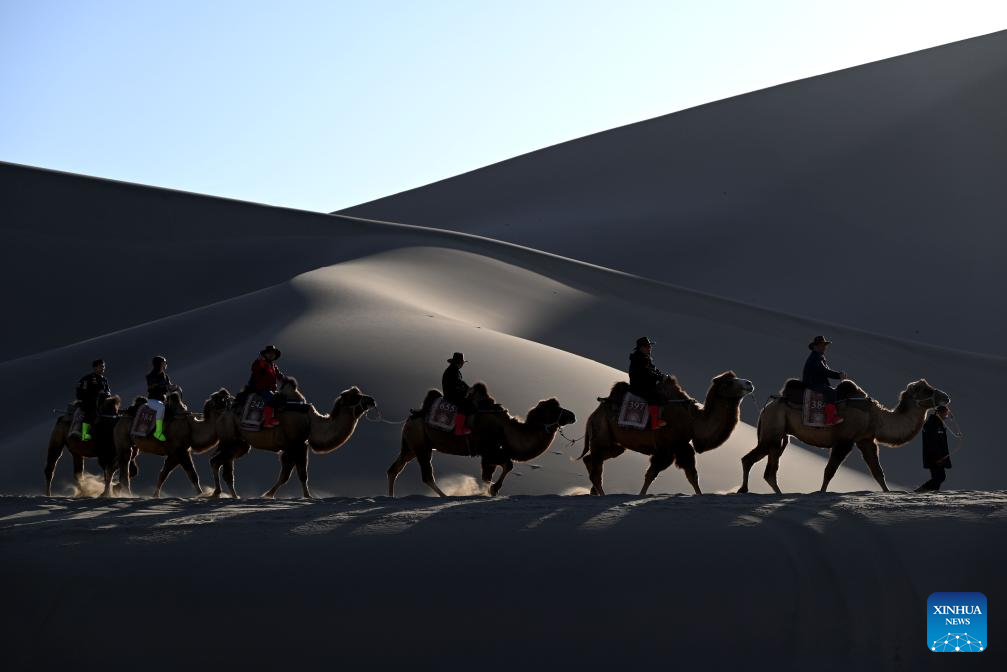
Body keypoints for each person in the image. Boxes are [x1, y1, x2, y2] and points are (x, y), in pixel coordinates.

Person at [802, 335, 847, 426]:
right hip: (812, 384)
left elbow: (825, 371)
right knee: (831, 392)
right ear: (815, 347)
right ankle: (830, 419)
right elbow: (824, 371)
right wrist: (838, 375)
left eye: (824, 345)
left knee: (832, 391)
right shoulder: (816, 358)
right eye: (821, 345)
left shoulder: (818, 357)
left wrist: (838, 375)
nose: (824, 347)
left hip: (815, 383)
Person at [628, 336, 667, 429]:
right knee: (654, 397)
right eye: (647, 346)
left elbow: (654, 369)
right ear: (641, 348)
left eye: (650, 346)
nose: (650, 348)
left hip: (644, 385)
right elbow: (647, 373)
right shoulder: (639, 359)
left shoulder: (645, 358)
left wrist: (663, 376)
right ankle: (654, 422)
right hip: (639, 387)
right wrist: (660, 377)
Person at [915, 405, 952, 492]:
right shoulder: (931, 424)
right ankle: (920, 491)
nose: (945, 417)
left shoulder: (938, 423)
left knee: (939, 477)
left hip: (939, 457)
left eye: (946, 414)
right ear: (938, 413)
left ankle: (931, 494)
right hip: (934, 457)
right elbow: (932, 443)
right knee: (939, 477)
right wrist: (937, 457)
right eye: (944, 414)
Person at [145, 356, 181, 442]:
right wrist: (165, 387)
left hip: (163, 400)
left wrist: (175, 387)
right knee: (161, 408)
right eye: (164, 362)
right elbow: (151, 387)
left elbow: (169, 387)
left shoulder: (165, 376)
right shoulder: (150, 376)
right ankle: (158, 432)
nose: (166, 363)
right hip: (153, 400)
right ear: (160, 364)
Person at [249, 345, 285, 428]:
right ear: (265, 354)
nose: (271, 355)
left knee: (281, 399)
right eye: (269, 353)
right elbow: (255, 370)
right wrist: (262, 363)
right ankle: (267, 421)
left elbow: (279, 375)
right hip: (261, 388)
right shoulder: (259, 362)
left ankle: (275, 418)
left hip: (271, 389)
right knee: (271, 398)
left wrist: (285, 380)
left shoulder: (273, 366)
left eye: (273, 353)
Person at [76, 359, 111, 441]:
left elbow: (108, 391)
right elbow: (82, 393)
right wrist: (96, 394)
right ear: (95, 368)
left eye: (104, 366)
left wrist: (106, 393)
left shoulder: (104, 380)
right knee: (89, 414)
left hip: (103, 403)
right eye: (101, 366)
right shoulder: (87, 379)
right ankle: (84, 434)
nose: (103, 368)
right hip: (90, 403)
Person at [442, 352, 473, 436]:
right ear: (459, 363)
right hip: (451, 396)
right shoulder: (453, 371)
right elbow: (456, 386)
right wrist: (467, 391)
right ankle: (459, 429)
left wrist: (468, 388)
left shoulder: (453, 370)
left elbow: (460, 383)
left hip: (451, 394)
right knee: (465, 405)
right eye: (462, 362)